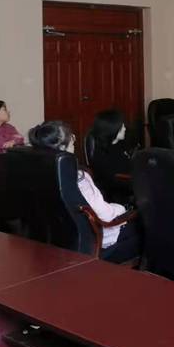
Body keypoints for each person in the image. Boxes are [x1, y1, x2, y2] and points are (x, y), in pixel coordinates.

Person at [28, 120, 140, 262]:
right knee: (148, 224)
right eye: (71, 136)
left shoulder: (36, 173)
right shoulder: (78, 178)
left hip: (55, 246)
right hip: (98, 244)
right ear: (62, 146)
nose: (74, 138)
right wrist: (123, 209)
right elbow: (106, 216)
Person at [90, 109, 133, 203]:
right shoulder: (102, 154)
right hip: (119, 194)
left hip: (132, 182)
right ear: (112, 129)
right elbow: (115, 181)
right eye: (121, 127)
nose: (125, 129)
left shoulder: (120, 144)